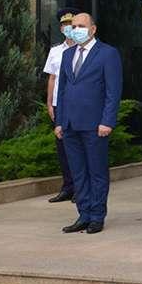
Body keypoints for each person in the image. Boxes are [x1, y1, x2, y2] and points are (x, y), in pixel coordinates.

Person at [55, 12, 122, 234]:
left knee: (97, 172)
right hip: (70, 125)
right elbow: (62, 91)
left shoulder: (108, 54)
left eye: (81, 26)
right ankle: (83, 214)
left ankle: (97, 216)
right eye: (73, 26)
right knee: (78, 173)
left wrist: (107, 121)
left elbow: (113, 92)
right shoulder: (67, 54)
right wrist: (59, 121)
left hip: (95, 125)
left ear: (93, 29)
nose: (76, 30)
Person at [41, 7, 80, 204]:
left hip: (77, 104)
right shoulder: (56, 51)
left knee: (77, 147)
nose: (67, 27)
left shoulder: (83, 50)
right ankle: (68, 187)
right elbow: (52, 78)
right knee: (62, 148)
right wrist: (49, 103)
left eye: (70, 23)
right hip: (59, 105)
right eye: (64, 24)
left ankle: (81, 188)